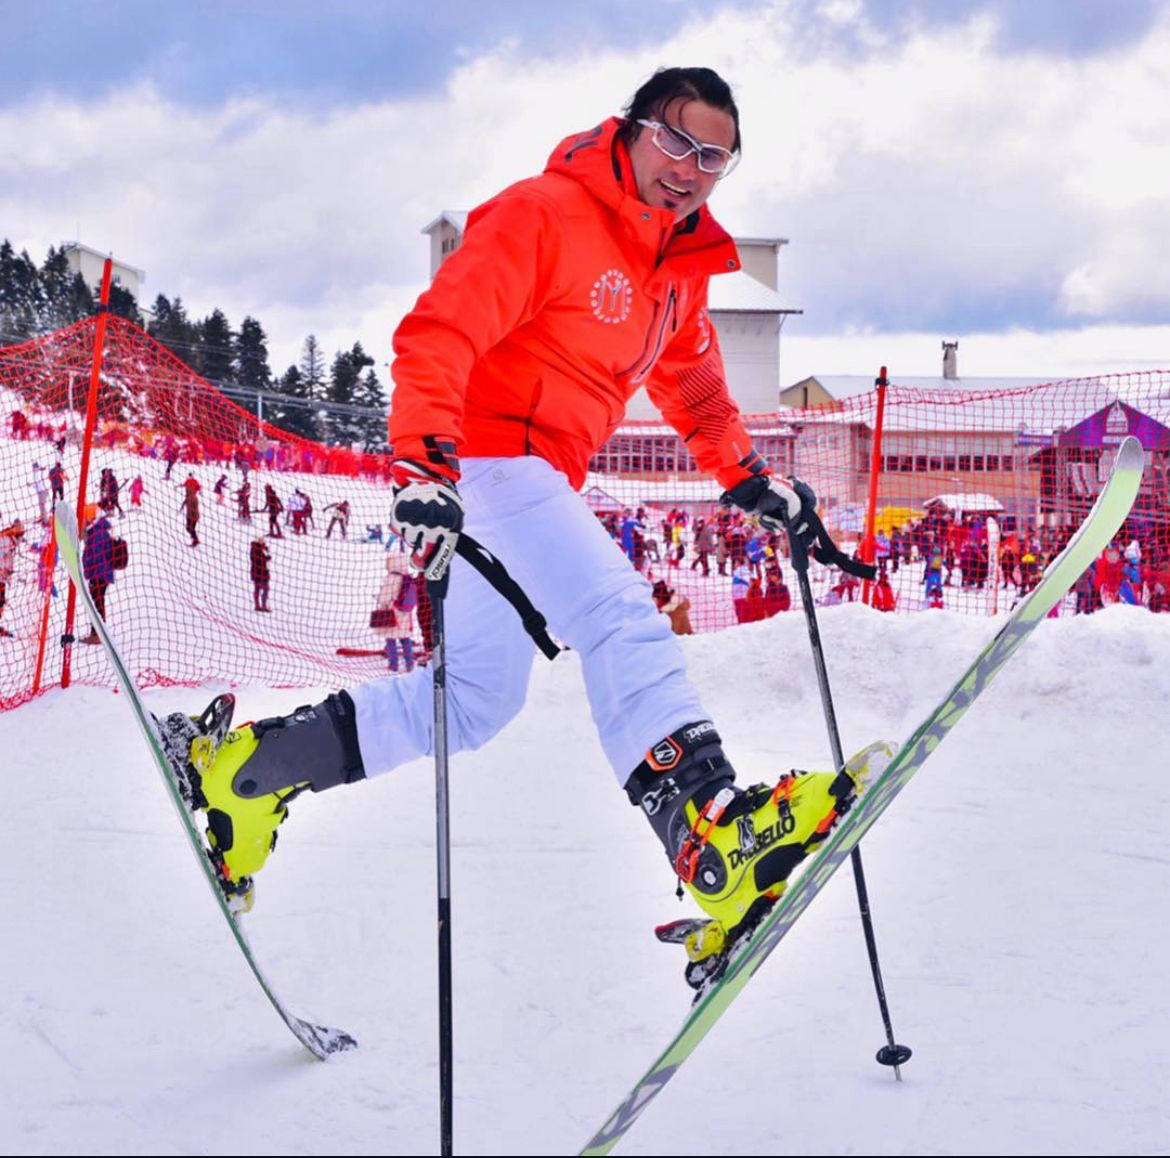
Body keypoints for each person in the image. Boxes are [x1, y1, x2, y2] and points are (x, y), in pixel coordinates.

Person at [174, 67, 854, 974]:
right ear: (634, 128)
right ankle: (709, 828)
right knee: (618, 616)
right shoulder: (545, 214)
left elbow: (692, 385)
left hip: (533, 472)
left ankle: (247, 772)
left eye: (715, 158)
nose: (691, 169)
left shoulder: (678, 269)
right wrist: (424, 462)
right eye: (678, 142)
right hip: (488, 457)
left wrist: (749, 478)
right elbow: (441, 329)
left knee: (474, 701)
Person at [370, 553, 418, 672]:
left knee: (390, 639)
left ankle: (393, 665)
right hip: (405, 612)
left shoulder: (392, 578)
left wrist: (378, 598)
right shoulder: (407, 577)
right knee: (405, 638)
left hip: (392, 611)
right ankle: (410, 663)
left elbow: (385, 597)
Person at [81, 512, 115, 643]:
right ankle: (98, 633)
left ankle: (98, 634)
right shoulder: (99, 531)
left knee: (97, 604)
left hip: (99, 574)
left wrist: (85, 566)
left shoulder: (96, 533)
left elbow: (94, 555)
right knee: (97, 603)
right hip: (101, 574)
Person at [0, 518, 25, 637]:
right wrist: (3, 570)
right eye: (19, 529)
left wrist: (8, 570)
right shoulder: (5, 540)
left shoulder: (13, 541)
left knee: (1, 601)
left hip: (2, 578)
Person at [250, 536, 271, 612]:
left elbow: (267, 557)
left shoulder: (264, 548)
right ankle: (257, 605)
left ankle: (263, 605)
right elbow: (255, 559)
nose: (263, 541)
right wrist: (265, 558)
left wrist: (267, 555)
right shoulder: (254, 549)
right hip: (257, 572)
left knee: (265, 589)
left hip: (264, 572)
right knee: (258, 588)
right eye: (260, 540)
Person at [180, 474, 201, 547]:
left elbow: (194, 508)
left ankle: (195, 540)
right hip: (190, 515)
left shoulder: (192, 497)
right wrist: (182, 506)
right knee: (189, 528)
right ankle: (195, 539)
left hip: (193, 516)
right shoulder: (189, 496)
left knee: (190, 528)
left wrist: (192, 516)